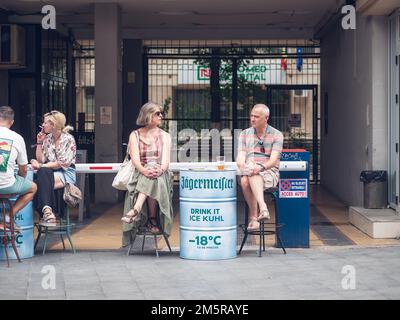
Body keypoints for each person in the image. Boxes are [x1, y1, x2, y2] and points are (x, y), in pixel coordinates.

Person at [121, 101, 173, 247]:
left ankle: (136, 210)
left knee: (153, 172)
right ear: (148, 115)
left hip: (161, 174)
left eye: (161, 113)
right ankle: (151, 219)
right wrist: (145, 170)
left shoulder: (165, 136)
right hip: (141, 172)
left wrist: (159, 169)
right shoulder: (135, 135)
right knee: (149, 171)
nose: (161, 116)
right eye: (157, 113)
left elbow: (165, 162)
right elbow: (135, 160)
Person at [236, 104, 283, 231]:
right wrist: (242, 165)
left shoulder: (277, 134)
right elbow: (241, 156)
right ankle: (263, 210)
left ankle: (254, 217)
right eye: (251, 115)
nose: (252, 119)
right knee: (246, 178)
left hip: (269, 172)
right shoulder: (244, 134)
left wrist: (259, 167)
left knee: (247, 178)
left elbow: (273, 161)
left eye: (256, 116)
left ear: (266, 118)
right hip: (250, 170)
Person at [30, 110, 76, 225]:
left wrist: (41, 166)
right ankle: (48, 211)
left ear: (53, 124)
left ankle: (46, 211)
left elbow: (62, 163)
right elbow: (41, 159)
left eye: (45, 123)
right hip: (49, 173)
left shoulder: (68, 139)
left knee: (36, 184)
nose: (43, 125)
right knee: (43, 173)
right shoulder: (47, 139)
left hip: (65, 172)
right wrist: (39, 143)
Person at [0, 106, 37, 231]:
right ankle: (8, 216)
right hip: (8, 185)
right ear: (12, 122)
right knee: (33, 188)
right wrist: (19, 180)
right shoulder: (17, 138)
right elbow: (24, 169)